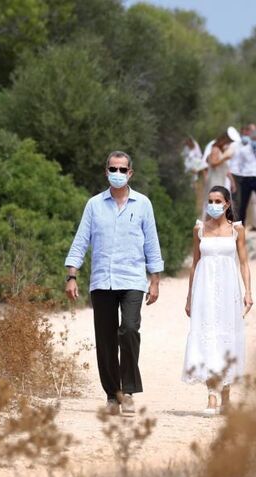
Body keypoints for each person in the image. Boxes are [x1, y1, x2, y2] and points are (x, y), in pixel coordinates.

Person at [65, 151, 164, 416]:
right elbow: (81, 240)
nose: (117, 174)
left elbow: (152, 243)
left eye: (122, 169)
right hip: (102, 281)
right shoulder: (94, 205)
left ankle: (129, 390)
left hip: (132, 279)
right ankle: (113, 394)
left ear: (130, 173)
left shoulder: (143, 204)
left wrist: (154, 280)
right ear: (106, 171)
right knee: (106, 339)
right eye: (113, 168)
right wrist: (72, 275)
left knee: (129, 330)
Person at [183, 185, 251, 414]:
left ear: (227, 204)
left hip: (229, 289)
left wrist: (248, 293)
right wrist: (189, 296)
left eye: (217, 201)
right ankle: (212, 395)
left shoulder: (237, 230)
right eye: (209, 201)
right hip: (205, 289)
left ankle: (226, 394)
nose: (213, 205)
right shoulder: (199, 229)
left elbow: (243, 263)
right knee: (208, 338)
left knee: (228, 337)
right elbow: (194, 263)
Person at [202, 127, 240, 218]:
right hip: (214, 180)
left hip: (220, 180)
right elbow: (213, 163)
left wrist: (232, 181)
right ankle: (208, 226)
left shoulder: (222, 150)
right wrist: (224, 158)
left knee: (218, 205)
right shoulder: (215, 149)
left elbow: (225, 169)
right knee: (213, 204)